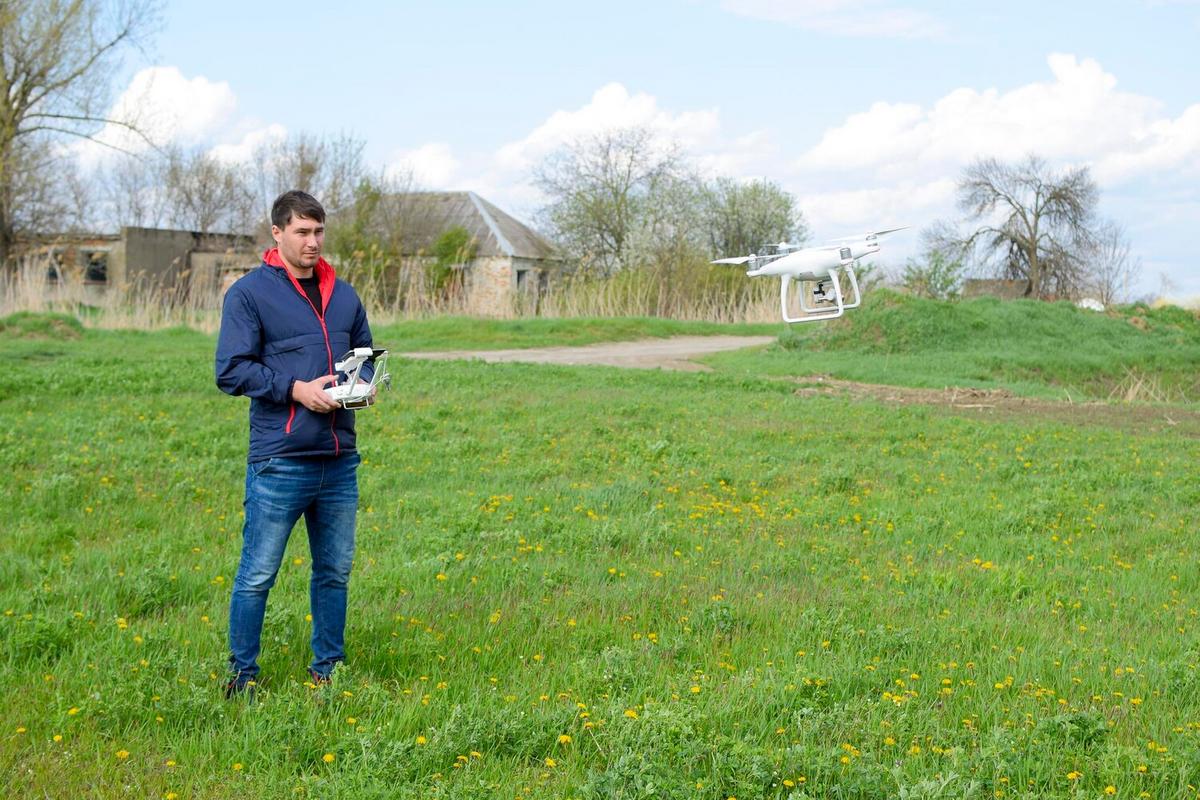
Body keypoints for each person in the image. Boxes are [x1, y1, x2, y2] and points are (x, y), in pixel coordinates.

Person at [215, 190, 374, 697]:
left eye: (319, 231)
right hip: (280, 461)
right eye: (302, 232)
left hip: (338, 459)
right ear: (277, 233)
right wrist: (295, 390)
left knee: (335, 572)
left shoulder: (343, 294)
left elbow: (365, 355)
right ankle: (242, 676)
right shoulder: (248, 295)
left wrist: (363, 386)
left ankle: (328, 670)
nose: (313, 241)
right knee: (258, 574)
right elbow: (230, 370)